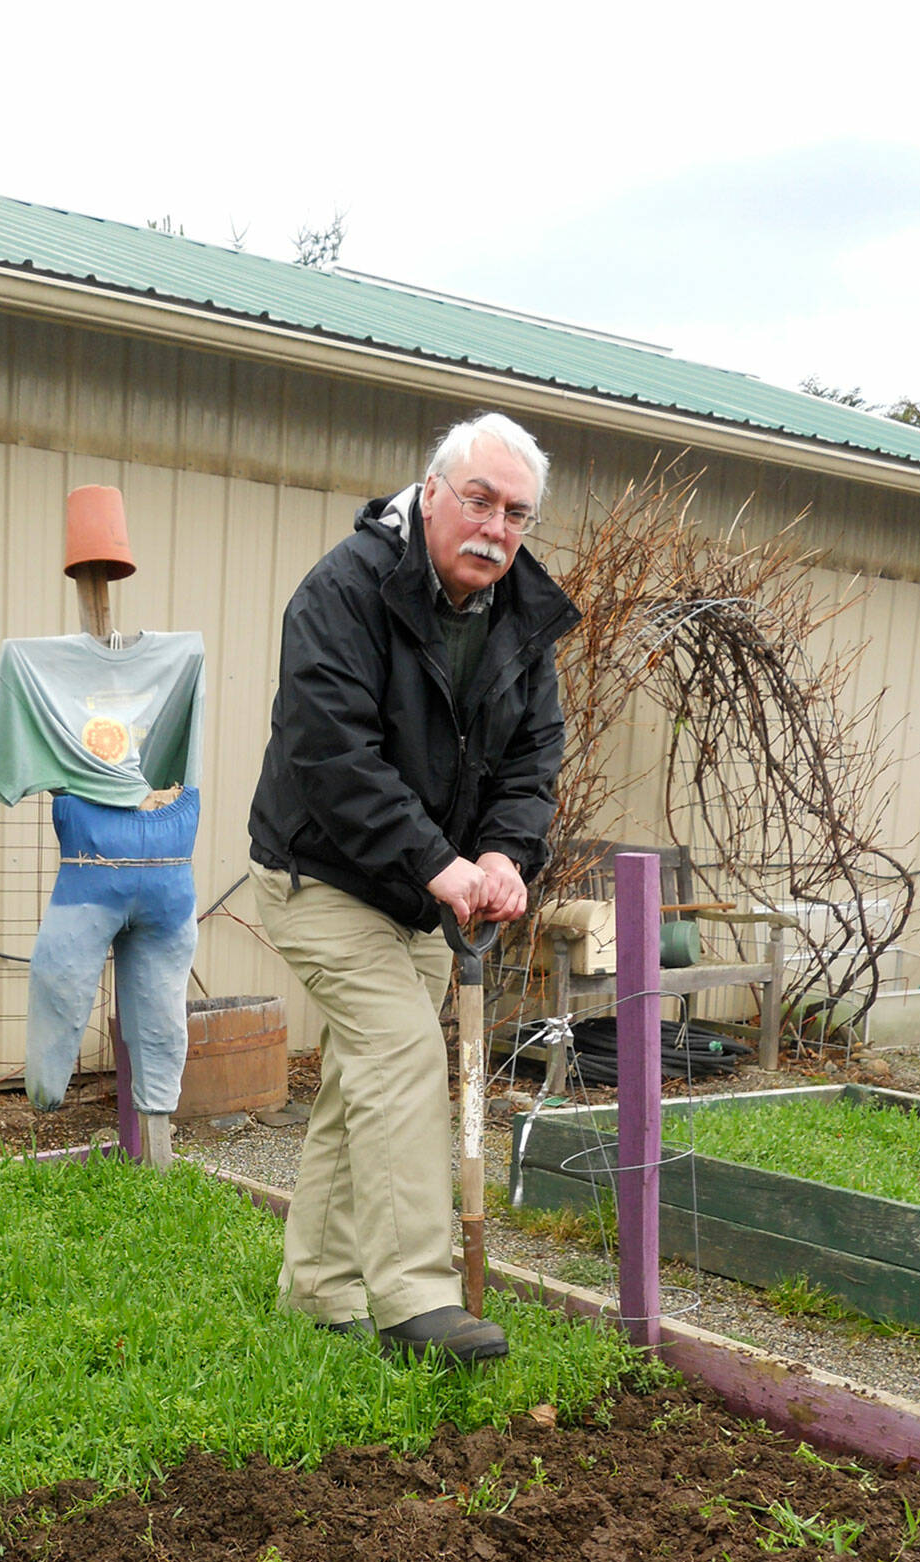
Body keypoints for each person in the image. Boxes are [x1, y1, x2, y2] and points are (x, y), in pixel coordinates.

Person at [248, 410, 579, 1364]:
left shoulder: (522, 613)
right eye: (478, 499)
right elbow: (331, 753)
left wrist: (507, 856)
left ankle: (317, 1289)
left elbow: (531, 761)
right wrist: (440, 861)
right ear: (431, 492)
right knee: (399, 1058)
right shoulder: (343, 592)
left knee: (362, 1085)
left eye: (516, 512)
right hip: (323, 873)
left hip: (431, 891)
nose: (495, 527)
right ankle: (416, 1300)